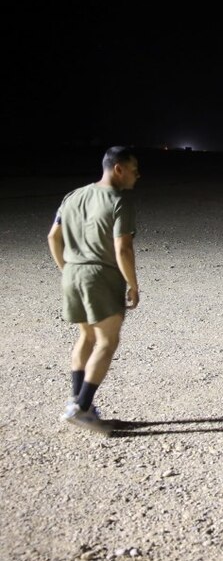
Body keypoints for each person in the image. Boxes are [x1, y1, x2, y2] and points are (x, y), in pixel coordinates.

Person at [47, 146, 142, 434]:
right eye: (134, 169)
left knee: (86, 337)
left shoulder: (73, 196)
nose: (138, 175)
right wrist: (134, 285)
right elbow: (122, 248)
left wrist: (67, 269)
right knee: (106, 342)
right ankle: (82, 407)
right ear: (118, 169)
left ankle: (77, 403)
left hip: (73, 274)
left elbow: (53, 236)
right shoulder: (119, 201)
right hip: (100, 276)